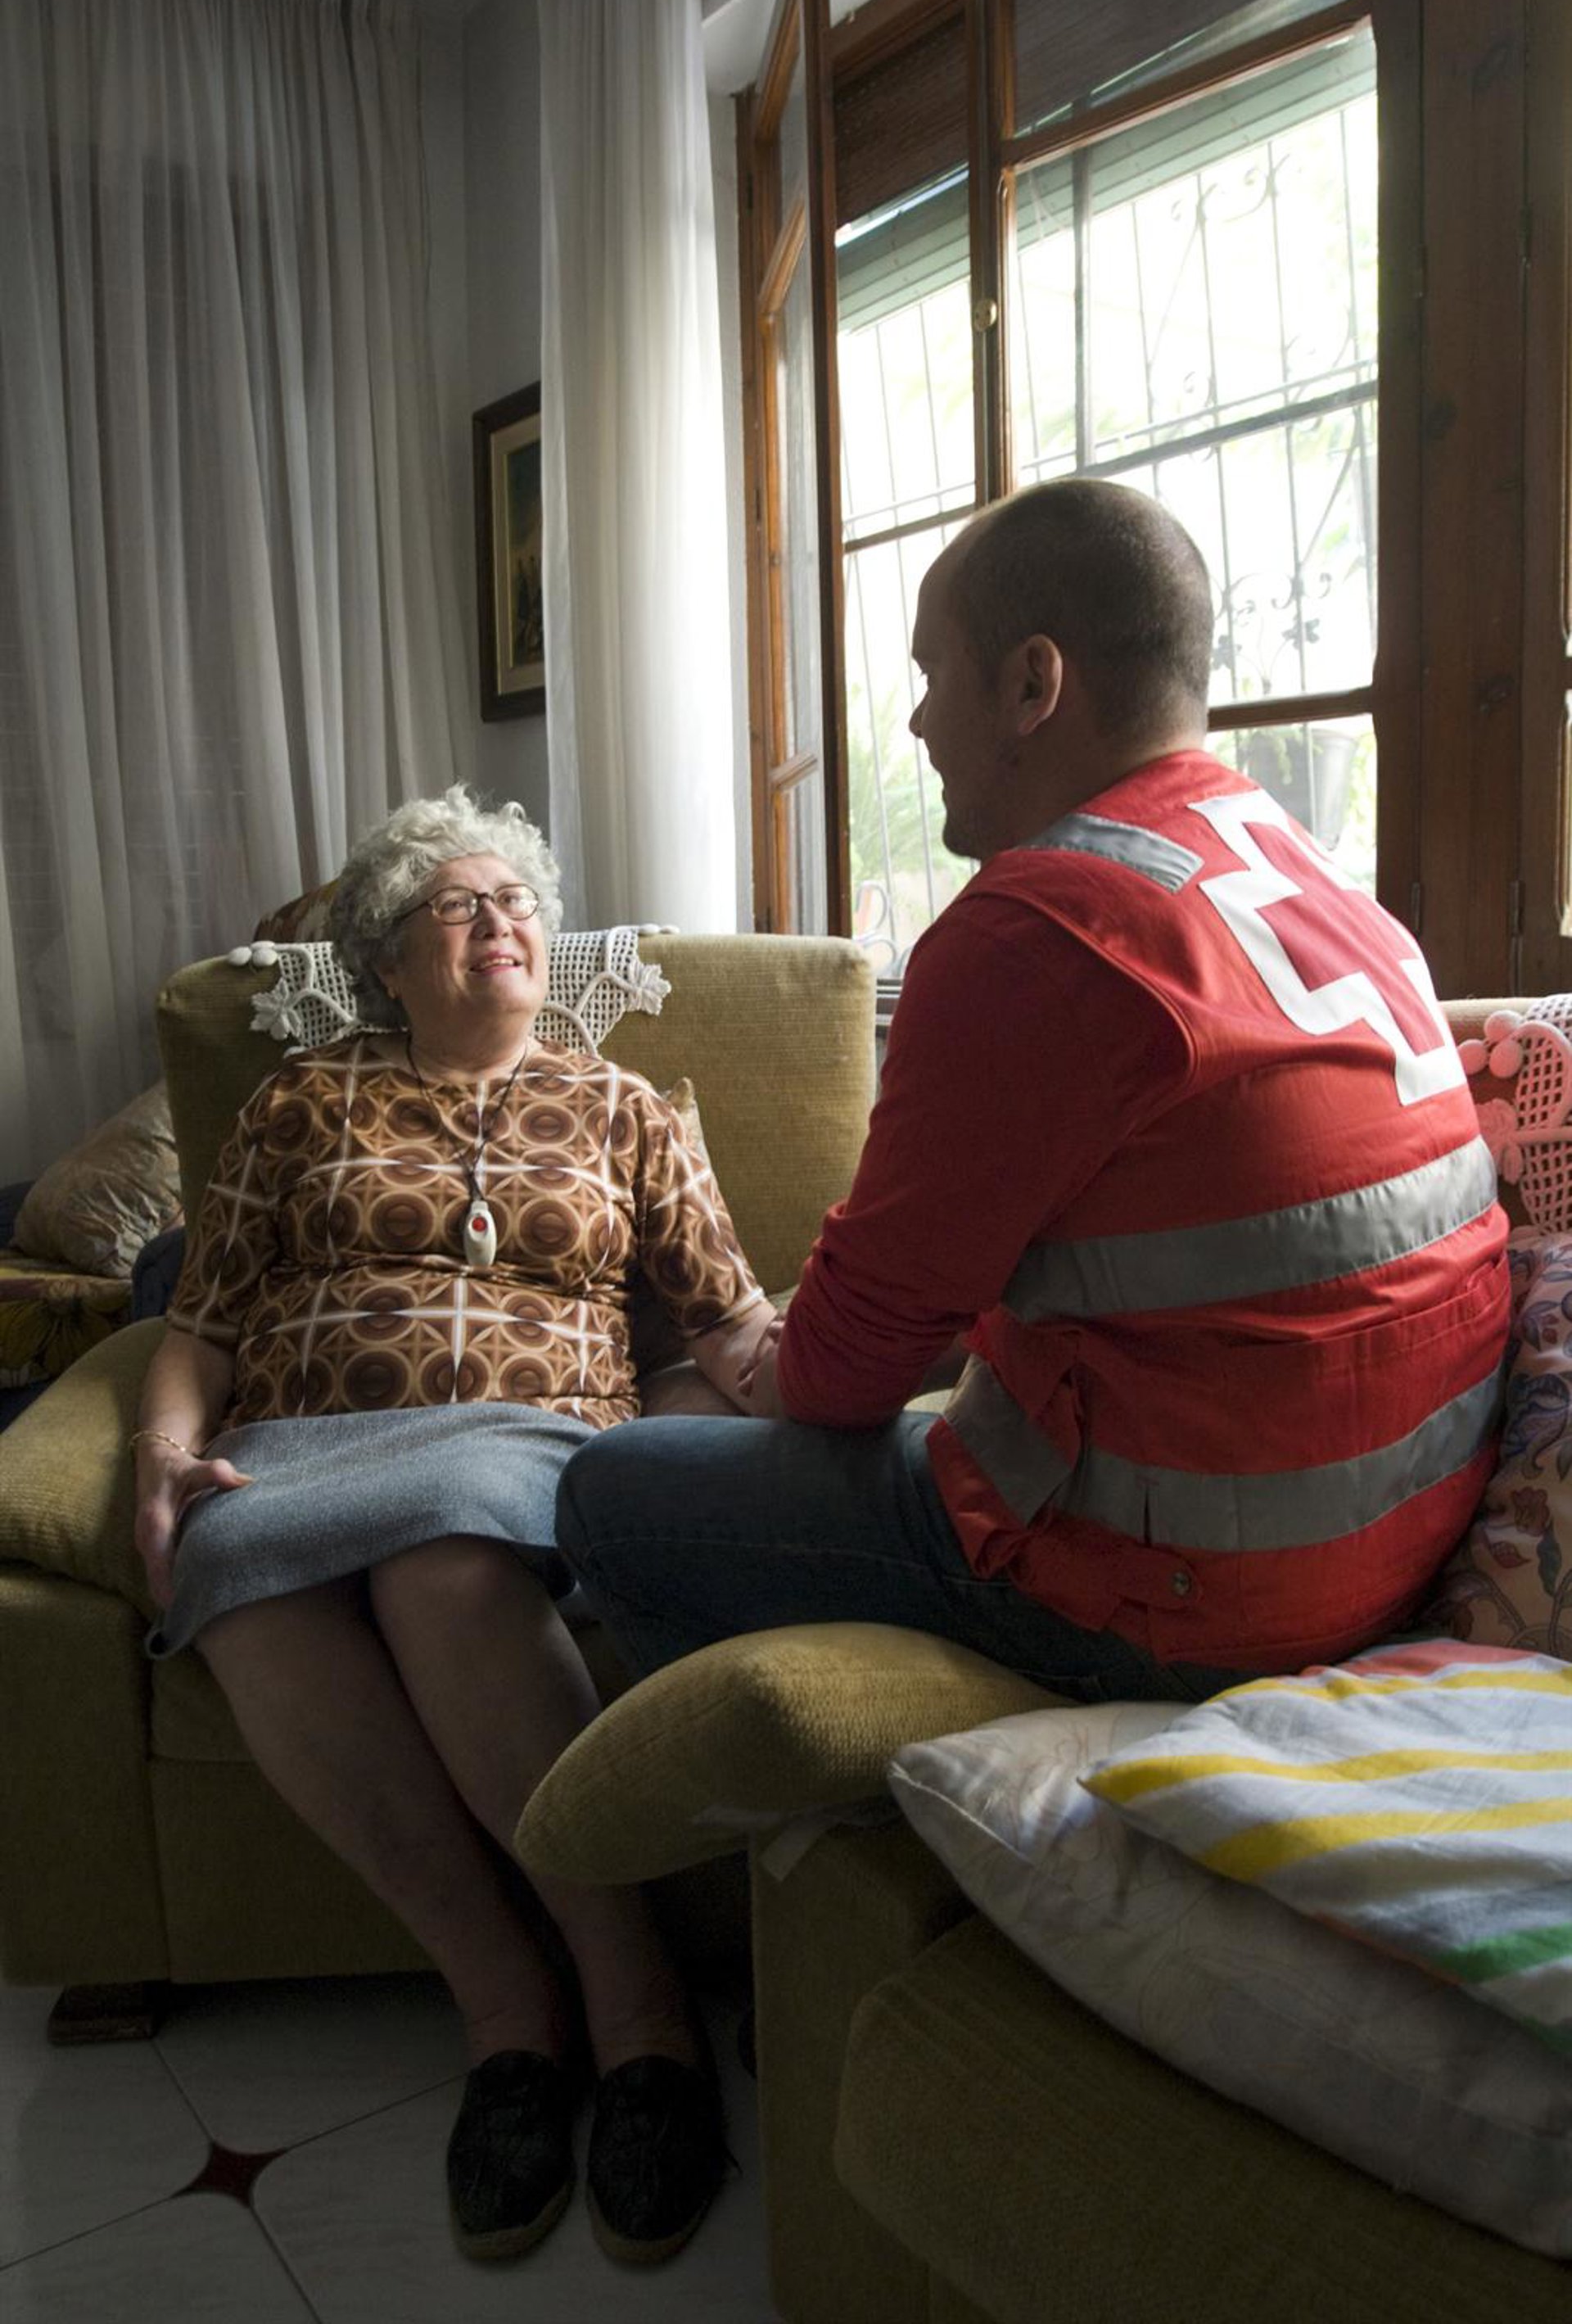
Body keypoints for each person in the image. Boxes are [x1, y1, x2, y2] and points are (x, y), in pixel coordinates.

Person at [555, 478, 1510, 1702]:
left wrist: (752, 1361)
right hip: (1396, 1546)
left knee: (609, 1490)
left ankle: (786, 1780)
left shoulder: (1036, 930)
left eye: (930, 672)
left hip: (1197, 1599)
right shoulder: (1309, 872)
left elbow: (837, 1378)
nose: (915, 721)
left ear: (1030, 684)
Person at [131, 784, 778, 2267]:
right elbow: (201, 1325)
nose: (501, 920)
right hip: (300, 1440)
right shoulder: (299, 1102)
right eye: (459, 902)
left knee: (443, 1559)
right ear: (388, 957)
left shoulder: (623, 1107)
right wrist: (165, 1456)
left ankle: (640, 2016)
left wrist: (838, 1367)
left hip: (525, 1438)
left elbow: (734, 1324)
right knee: (234, 1562)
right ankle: (506, 2011)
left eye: (518, 900)